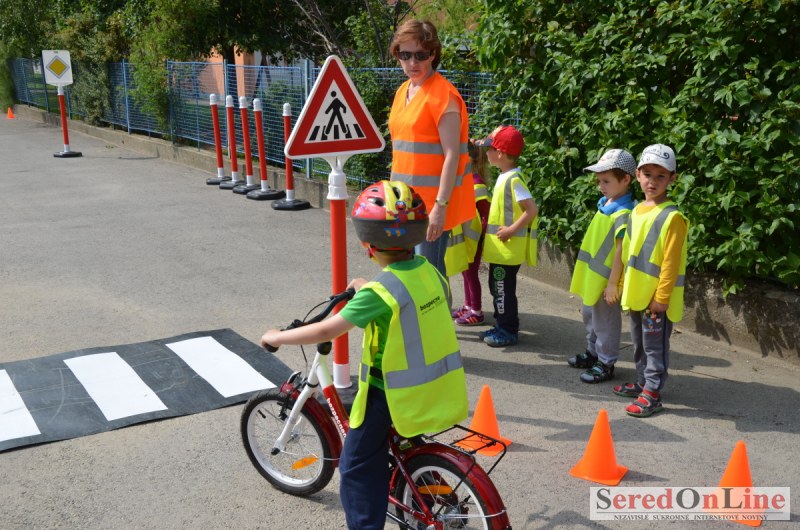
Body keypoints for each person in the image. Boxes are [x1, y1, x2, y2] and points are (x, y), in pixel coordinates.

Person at [260, 180, 468, 530]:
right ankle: (432, 490)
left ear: (368, 244)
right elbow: (404, 295)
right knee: (398, 445)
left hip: (390, 395)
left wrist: (277, 337)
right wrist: (365, 286)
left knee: (355, 467)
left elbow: (326, 331)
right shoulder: (429, 271)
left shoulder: (380, 292)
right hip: (435, 386)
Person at [388, 19, 475, 278]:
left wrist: (440, 207)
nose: (412, 62)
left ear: (433, 54)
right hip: (404, 203)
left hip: (431, 206)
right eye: (405, 55)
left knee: (429, 276)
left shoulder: (443, 96)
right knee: (410, 275)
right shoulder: (403, 91)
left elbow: (452, 155)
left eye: (420, 55)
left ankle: (438, 310)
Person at [613, 144, 689, 418]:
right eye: (647, 174)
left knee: (655, 347)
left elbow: (670, 262)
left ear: (672, 178)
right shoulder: (636, 211)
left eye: (660, 176)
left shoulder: (672, 218)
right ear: (637, 175)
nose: (652, 181)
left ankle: (653, 393)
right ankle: (643, 382)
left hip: (656, 300)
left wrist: (662, 298)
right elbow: (629, 253)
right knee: (639, 343)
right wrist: (622, 284)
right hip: (637, 295)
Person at [567, 149, 636, 383]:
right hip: (594, 277)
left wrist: (613, 284)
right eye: (599, 181)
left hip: (606, 280)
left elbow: (621, 250)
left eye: (606, 181)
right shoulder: (607, 204)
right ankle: (593, 352)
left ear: (625, 179)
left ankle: (606, 362)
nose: (601, 186)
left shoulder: (623, 213)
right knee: (590, 315)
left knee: (605, 322)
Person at [475, 125, 539, 348]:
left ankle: (508, 330)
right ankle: (502, 325)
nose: (486, 153)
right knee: (497, 287)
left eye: (489, 149)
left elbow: (531, 209)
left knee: (502, 290)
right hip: (501, 250)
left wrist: (511, 230)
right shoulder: (506, 177)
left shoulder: (514, 180)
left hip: (507, 249)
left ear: (500, 153)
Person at [449, 140, 491, 326]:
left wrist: (482, 236)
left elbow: (486, 214)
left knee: (471, 274)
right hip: (466, 238)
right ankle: (468, 305)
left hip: (474, 239)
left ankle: (477, 311)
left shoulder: (477, 184)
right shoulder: (466, 181)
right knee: (465, 272)